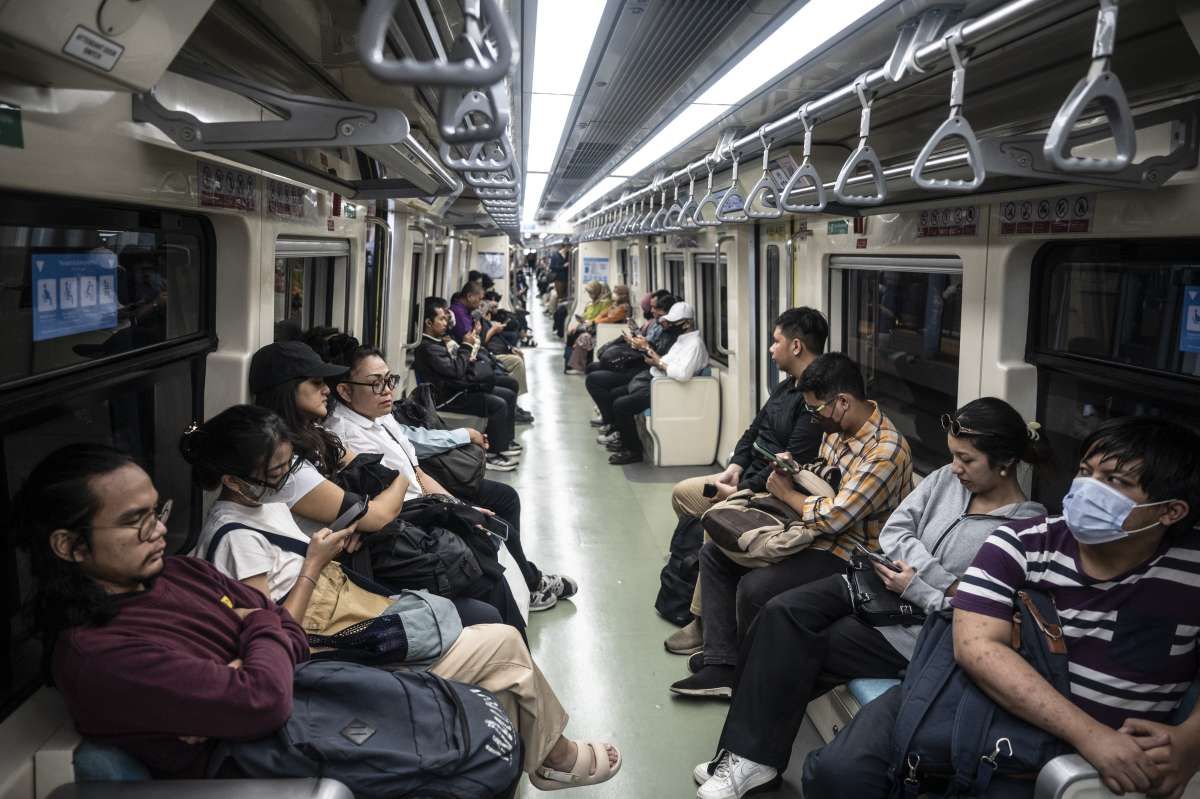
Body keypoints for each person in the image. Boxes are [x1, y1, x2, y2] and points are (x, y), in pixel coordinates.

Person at [16, 443, 622, 790]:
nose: (156, 534)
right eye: (133, 522)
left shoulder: (176, 572)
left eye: (157, 513)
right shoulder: (100, 654)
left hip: (313, 688)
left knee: (495, 643)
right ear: (69, 546)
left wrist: (255, 647)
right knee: (489, 669)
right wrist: (261, 645)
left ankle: (544, 758)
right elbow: (262, 693)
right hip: (270, 757)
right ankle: (549, 759)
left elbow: (269, 633)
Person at [804, 415, 1200, 799]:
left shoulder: (1190, 572)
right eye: (1085, 471)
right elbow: (977, 648)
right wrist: (1090, 735)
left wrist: (1189, 743)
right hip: (984, 699)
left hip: (1103, 752)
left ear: (1170, 511)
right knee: (838, 770)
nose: (1087, 488)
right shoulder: (1023, 542)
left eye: (1115, 481)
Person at [695, 397, 1048, 799]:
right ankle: (746, 757)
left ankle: (750, 760)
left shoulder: (1025, 530)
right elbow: (896, 530)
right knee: (780, 612)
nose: (955, 468)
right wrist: (940, 579)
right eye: (952, 456)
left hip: (920, 631)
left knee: (805, 647)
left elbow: (977, 612)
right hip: (877, 584)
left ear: (1003, 463)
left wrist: (920, 588)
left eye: (967, 460)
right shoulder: (947, 481)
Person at [672, 352, 911, 697]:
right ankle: (722, 663)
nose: (813, 419)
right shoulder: (837, 428)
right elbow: (826, 479)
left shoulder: (885, 451)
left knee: (757, 588)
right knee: (715, 553)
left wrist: (785, 493)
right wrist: (796, 470)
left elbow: (836, 517)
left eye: (816, 410)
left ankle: (751, 679)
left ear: (842, 402)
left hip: (852, 553)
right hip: (812, 532)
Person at [249, 340, 526, 630]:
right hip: (343, 567)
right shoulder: (292, 468)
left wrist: (364, 512)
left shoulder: (317, 436)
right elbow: (384, 501)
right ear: (287, 390)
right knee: (484, 586)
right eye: (316, 382)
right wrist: (369, 509)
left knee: (482, 556)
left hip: (374, 537)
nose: (326, 390)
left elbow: (387, 482)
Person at [326, 345, 578, 613]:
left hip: (425, 500)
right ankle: (530, 584)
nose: (388, 390)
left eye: (390, 380)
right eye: (376, 384)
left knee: (500, 511)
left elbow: (417, 471)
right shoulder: (344, 437)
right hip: (410, 517)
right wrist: (453, 509)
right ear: (344, 390)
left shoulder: (381, 416)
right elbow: (386, 500)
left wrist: (458, 505)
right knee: (495, 530)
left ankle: (530, 582)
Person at [664, 308, 829, 657]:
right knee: (683, 495)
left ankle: (703, 620)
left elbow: (788, 467)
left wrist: (739, 492)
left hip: (772, 492)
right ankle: (698, 580)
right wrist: (736, 464)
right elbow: (754, 429)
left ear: (796, 346)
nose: (771, 349)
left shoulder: (816, 402)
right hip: (748, 477)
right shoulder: (787, 386)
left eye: (776, 341)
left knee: (715, 519)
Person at [413, 298, 522, 471]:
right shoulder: (428, 348)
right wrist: (465, 346)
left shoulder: (438, 342)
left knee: (506, 393)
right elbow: (455, 370)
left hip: (454, 388)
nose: (446, 322)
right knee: (498, 404)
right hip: (447, 397)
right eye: (441, 319)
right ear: (428, 322)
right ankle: (493, 454)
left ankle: (504, 442)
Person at [605, 301, 709, 465]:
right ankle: (624, 439)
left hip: (669, 390)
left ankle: (633, 451)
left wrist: (659, 362)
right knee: (615, 393)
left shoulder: (694, 345)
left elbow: (682, 374)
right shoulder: (682, 340)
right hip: (658, 382)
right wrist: (652, 356)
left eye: (674, 323)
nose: (670, 325)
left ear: (687, 323)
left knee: (621, 405)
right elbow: (666, 361)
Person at [586, 292, 677, 430]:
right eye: (650, 307)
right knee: (594, 368)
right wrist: (636, 342)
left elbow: (659, 356)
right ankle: (609, 419)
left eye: (654, 308)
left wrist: (644, 346)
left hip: (643, 367)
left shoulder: (670, 333)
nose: (651, 311)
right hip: (637, 362)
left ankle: (611, 422)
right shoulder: (656, 325)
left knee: (596, 380)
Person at [564, 281, 613, 375]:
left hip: (596, 329)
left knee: (583, 338)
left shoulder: (605, 304)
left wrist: (588, 322)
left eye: (592, 293)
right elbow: (585, 316)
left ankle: (577, 366)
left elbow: (599, 318)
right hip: (586, 326)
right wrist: (578, 324)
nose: (590, 295)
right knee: (571, 333)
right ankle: (569, 363)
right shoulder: (590, 304)